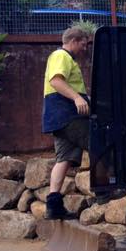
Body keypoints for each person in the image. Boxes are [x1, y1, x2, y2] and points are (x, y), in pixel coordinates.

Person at [42, 25, 92, 219]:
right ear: (73, 41)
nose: (85, 49)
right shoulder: (60, 56)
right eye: (84, 44)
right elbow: (56, 81)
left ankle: (53, 205)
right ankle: (107, 190)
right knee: (98, 142)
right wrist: (78, 99)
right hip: (68, 115)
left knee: (64, 159)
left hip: (58, 118)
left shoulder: (66, 59)